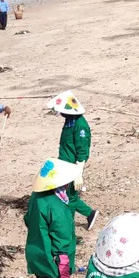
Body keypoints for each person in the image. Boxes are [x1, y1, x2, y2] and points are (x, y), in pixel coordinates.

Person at [10, 159, 80, 278]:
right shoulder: (58, 209)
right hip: (51, 260)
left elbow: (28, 220)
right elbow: (61, 243)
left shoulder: (37, 197)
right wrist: (64, 272)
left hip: (35, 253)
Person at [48, 90, 98, 231]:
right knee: (65, 194)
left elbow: (82, 152)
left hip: (72, 167)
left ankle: (68, 226)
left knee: (68, 197)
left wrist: (78, 173)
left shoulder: (80, 126)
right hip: (64, 164)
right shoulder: (70, 122)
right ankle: (89, 214)